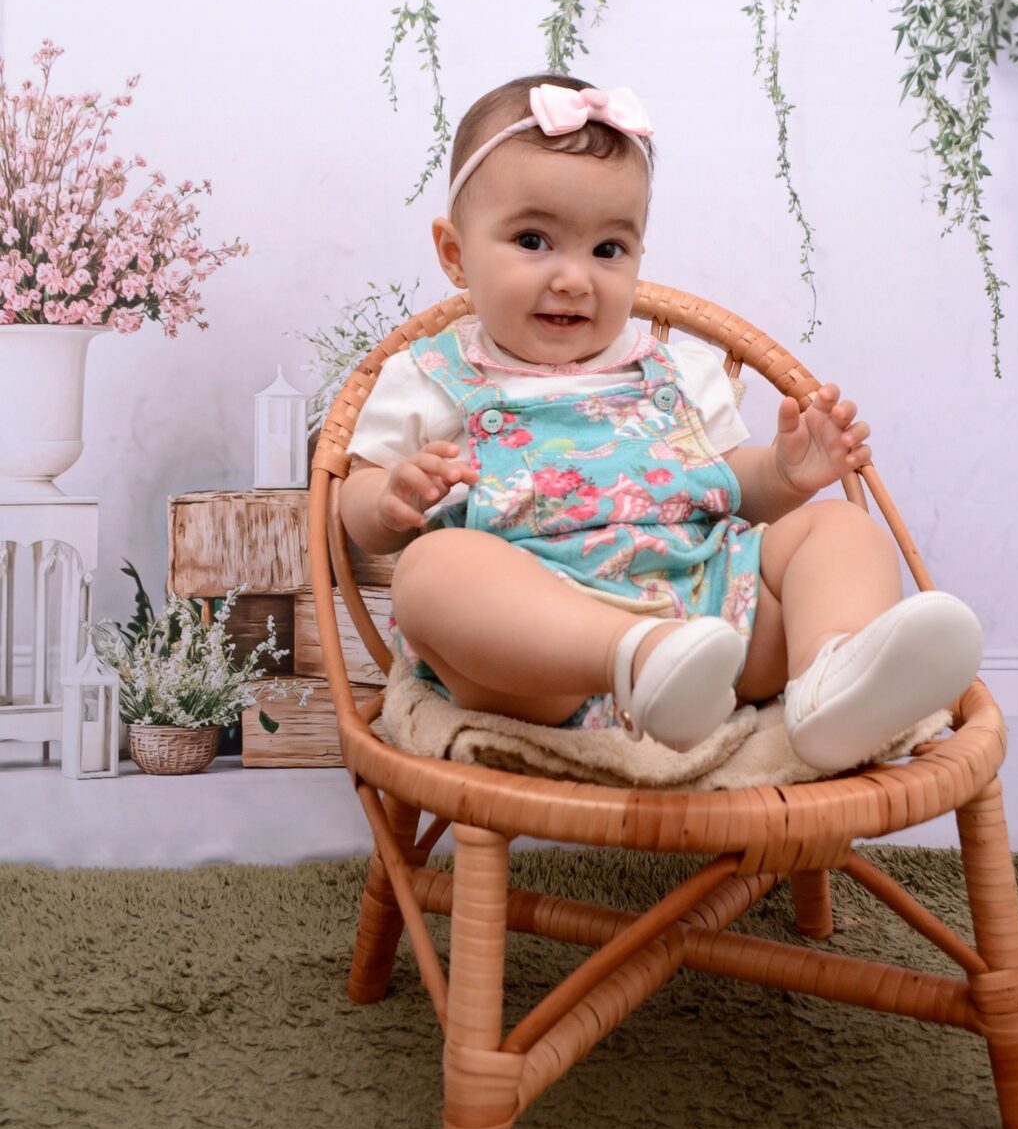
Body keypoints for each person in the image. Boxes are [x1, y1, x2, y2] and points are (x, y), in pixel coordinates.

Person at [340, 73, 982, 769]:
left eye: (607, 250)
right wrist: (390, 498)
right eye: (532, 239)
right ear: (455, 254)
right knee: (431, 570)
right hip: (540, 666)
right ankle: (637, 658)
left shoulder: (677, 371)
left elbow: (728, 489)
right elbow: (356, 507)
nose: (574, 278)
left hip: (714, 628)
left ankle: (832, 679)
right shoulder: (426, 376)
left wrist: (784, 475)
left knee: (840, 528)